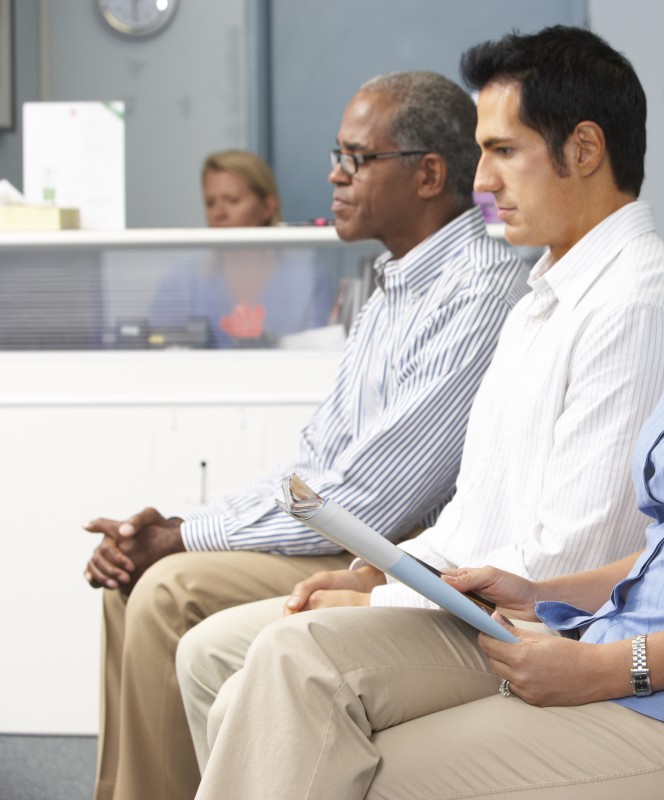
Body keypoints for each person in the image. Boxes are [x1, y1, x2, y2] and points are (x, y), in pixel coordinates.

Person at [194, 20, 664, 798]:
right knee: (304, 702)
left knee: (358, 768)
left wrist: (609, 665)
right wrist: (538, 592)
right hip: (632, 662)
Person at [177, 24, 664, 771]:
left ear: (583, 150)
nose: (481, 183)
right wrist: (374, 572)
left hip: (540, 630)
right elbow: (472, 513)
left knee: (286, 666)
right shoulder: (542, 296)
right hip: (473, 609)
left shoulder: (637, 305)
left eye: (502, 151)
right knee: (210, 657)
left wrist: (377, 603)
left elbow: (568, 559)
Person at [83, 71, 530, 800]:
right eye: (338, 154)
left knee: (166, 589)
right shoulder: (392, 283)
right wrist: (179, 525)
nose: (335, 174)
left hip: (393, 560)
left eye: (356, 158)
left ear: (428, 175)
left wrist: (186, 539)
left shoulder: (477, 290)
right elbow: (314, 465)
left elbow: (370, 501)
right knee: (131, 579)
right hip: (345, 535)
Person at [148, 149, 336, 347]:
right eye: (210, 203)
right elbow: (156, 349)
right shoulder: (182, 281)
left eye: (232, 200)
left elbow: (323, 356)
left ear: (267, 207)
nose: (219, 213)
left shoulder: (309, 280)